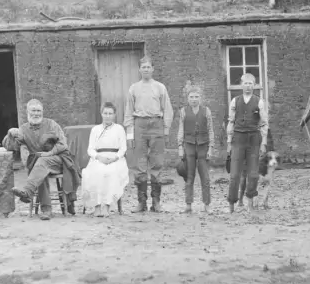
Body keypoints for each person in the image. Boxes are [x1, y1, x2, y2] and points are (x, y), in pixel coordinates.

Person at [5, 99, 82, 220]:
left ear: (42, 112)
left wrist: (49, 153)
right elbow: (10, 147)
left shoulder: (52, 124)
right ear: (27, 112)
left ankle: (28, 192)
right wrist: (10, 134)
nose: (36, 113)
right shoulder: (23, 129)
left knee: (41, 162)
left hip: (59, 159)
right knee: (39, 166)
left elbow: (63, 144)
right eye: (33, 110)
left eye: (38, 110)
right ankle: (46, 210)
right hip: (40, 163)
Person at [123, 56, 173, 213]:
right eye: (143, 67)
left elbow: (168, 110)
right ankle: (141, 202)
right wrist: (130, 135)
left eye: (148, 67)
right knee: (140, 164)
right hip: (140, 125)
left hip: (156, 124)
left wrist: (165, 129)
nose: (146, 69)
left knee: (157, 163)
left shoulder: (160, 87)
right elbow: (128, 112)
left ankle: (156, 202)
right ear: (139, 70)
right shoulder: (133, 88)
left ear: (153, 69)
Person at [226, 73, 269, 213]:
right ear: (241, 85)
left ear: (254, 85)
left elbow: (264, 123)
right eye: (245, 83)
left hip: (253, 139)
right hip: (238, 139)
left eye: (251, 83)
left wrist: (263, 143)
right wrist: (228, 141)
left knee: (253, 173)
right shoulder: (235, 101)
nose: (248, 86)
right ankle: (232, 204)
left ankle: (250, 202)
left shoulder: (259, 101)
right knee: (234, 174)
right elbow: (231, 122)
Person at [79, 102, 129, 217]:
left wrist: (114, 158)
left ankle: (107, 206)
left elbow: (123, 148)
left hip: (115, 159)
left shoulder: (119, 129)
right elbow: (90, 149)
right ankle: (96, 206)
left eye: (110, 113)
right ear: (101, 114)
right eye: (105, 113)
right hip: (98, 158)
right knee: (94, 172)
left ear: (114, 115)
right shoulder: (95, 129)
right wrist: (99, 157)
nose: (108, 116)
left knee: (110, 172)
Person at [176, 86, 215, 214]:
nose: (194, 99)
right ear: (187, 98)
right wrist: (180, 147)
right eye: (191, 97)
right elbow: (181, 129)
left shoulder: (206, 111)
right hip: (189, 145)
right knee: (189, 176)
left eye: (196, 97)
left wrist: (211, 148)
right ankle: (188, 204)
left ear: (200, 98)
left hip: (203, 146)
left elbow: (210, 130)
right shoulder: (183, 111)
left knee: (205, 177)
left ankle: (207, 204)